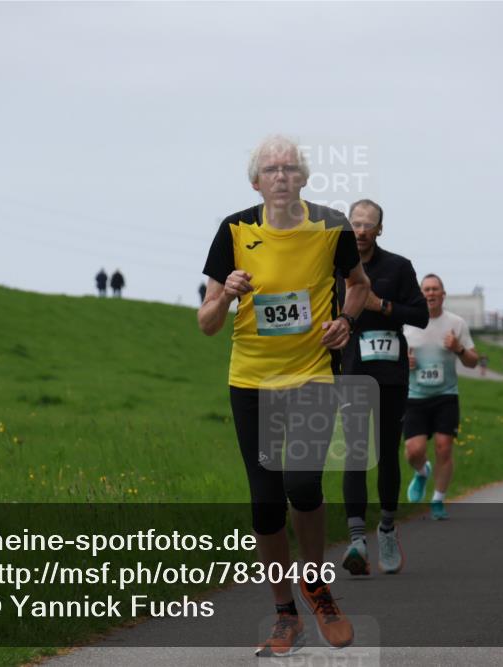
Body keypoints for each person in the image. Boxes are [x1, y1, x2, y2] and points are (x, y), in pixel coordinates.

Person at [198, 135, 370, 656]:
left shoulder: (332, 226)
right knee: (266, 504)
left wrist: (345, 319)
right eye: (271, 168)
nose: (281, 175)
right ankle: (284, 614)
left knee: (302, 483)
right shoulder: (233, 230)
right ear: (256, 181)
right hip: (251, 382)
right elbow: (206, 323)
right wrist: (226, 293)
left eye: (290, 167)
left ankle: (316, 586)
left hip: (313, 375)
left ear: (304, 177)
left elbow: (358, 284)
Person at [338, 199, 428, 577]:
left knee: (388, 453)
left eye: (367, 225)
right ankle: (356, 540)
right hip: (352, 371)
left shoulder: (398, 267)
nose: (360, 230)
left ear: (379, 230)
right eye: (354, 223)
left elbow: (420, 316)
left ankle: (387, 528)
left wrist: (383, 305)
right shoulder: (333, 266)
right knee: (355, 453)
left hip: (390, 374)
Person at [404, 274, 479, 519]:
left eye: (435, 289)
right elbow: (394, 360)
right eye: (426, 289)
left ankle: (438, 499)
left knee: (444, 448)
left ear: (443, 294)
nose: (431, 293)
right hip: (414, 396)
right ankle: (422, 471)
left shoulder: (456, 324)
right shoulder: (407, 325)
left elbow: (472, 361)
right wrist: (404, 362)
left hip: (446, 394)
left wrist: (458, 348)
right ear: (420, 294)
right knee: (413, 451)